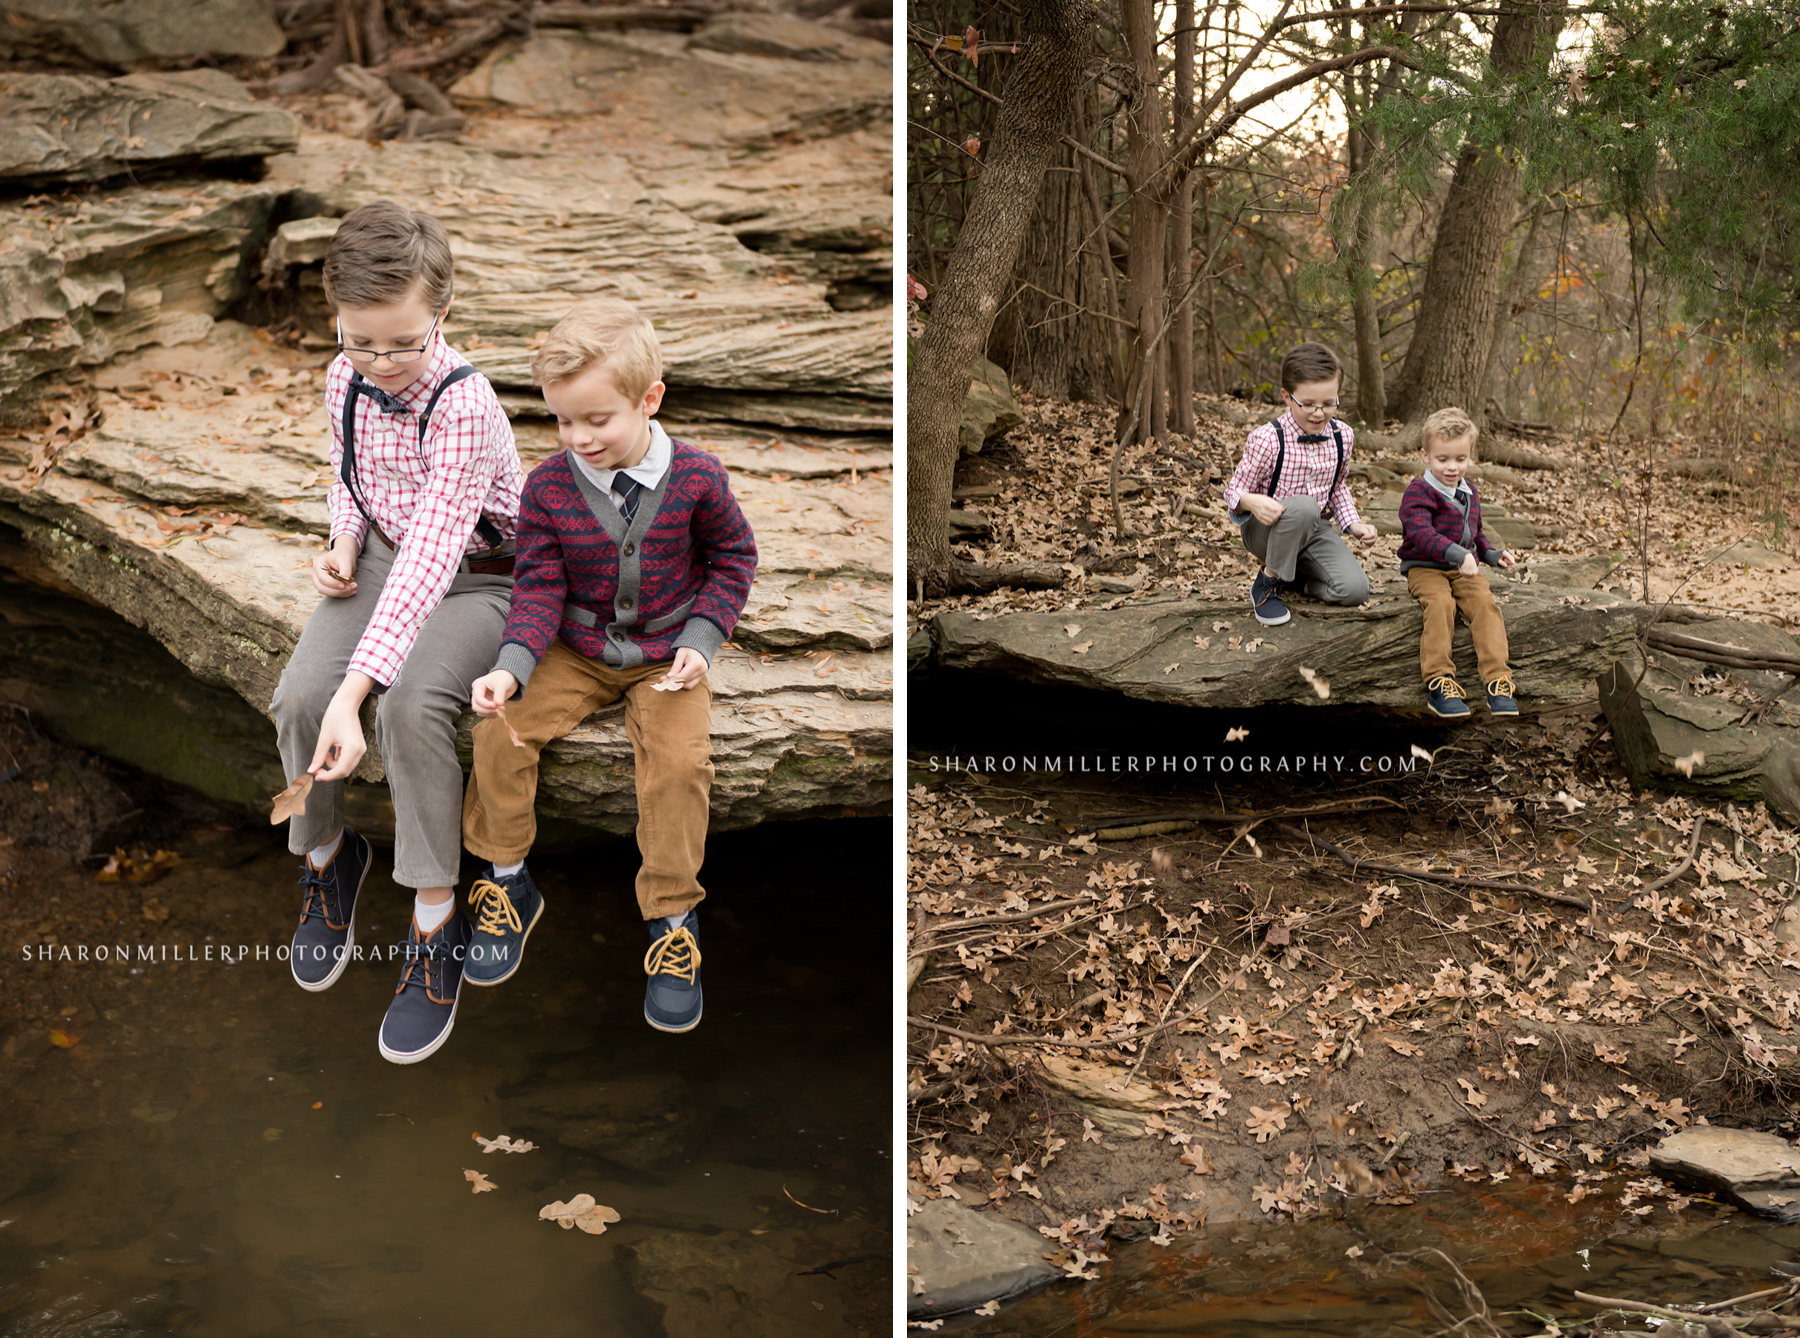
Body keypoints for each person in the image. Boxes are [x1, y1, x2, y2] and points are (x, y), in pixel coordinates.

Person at [270, 200, 523, 1065]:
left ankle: (434, 916)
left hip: (475, 582)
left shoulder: (465, 405)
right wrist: (342, 540)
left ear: (442, 315)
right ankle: (330, 856)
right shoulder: (344, 376)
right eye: (358, 339)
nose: (377, 361)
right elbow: (350, 478)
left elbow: (433, 561)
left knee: (406, 708)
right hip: (381, 556)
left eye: (400, 342)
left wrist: (360, 690)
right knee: (298, 697)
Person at [461, 297, 757, 1035]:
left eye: (597, 420)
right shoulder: (548, 489)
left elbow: (733, 559)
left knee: (680, 766)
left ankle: (672, 921)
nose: (578, 437)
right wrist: (513, 664)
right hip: (576, 650)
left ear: (649, 399)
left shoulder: (696, 478)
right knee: (499, 730)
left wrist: (703, 635)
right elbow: (536, 587)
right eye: (563, 420)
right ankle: (507, 881)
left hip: (666, 656)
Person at [1223, 342, 1378, 626]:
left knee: (1355, 590)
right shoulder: (1268, 439)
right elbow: (1234, 490)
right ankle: (1268, 584)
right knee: (1305, 507)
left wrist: (1353, 525)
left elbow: (1338, 487)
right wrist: (1252, 502)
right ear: (1286, 395)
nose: (1318, 413)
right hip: (1266, 531)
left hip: (1313, 530)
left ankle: (1294, 581)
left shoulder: (1343, 436)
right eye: (1307, 404)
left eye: (1329, 403)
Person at [1397, 406, 1518, 719]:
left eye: (1460, 459)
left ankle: (1498, 680)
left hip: (1464, 567)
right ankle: (1439, 681)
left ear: (1470, 456)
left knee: (1485, 606)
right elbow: (1421, 533)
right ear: (1425, 455)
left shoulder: (1469, 492)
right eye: (1443, 459)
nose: (1452, 467)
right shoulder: (1418, 491)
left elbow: (1474, 532)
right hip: (1424, 567)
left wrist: (1490, 554)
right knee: (1440, 605)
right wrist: (1459, 554)